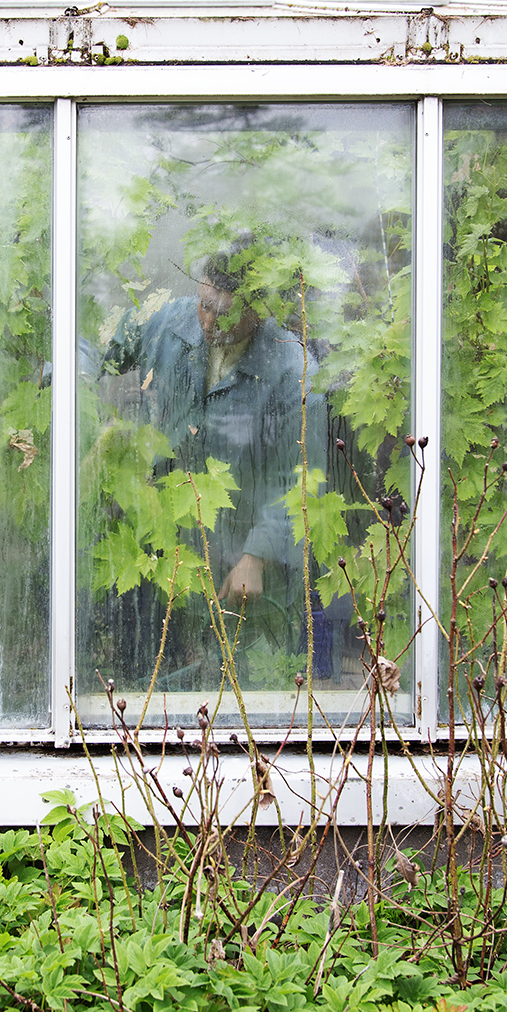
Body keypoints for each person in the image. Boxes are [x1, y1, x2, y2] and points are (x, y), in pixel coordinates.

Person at [97, 239, 329, 682]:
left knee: (242, 687)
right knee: (151, 684)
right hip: (164, 549)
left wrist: (257, 555)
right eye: (204, 304)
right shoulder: (170, 322)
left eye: (223, 313)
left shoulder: (292, 368)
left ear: (257, 309)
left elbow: (301, 478)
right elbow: (100, 343)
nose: (207, 321)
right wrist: (66, 372)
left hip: (243, 564)